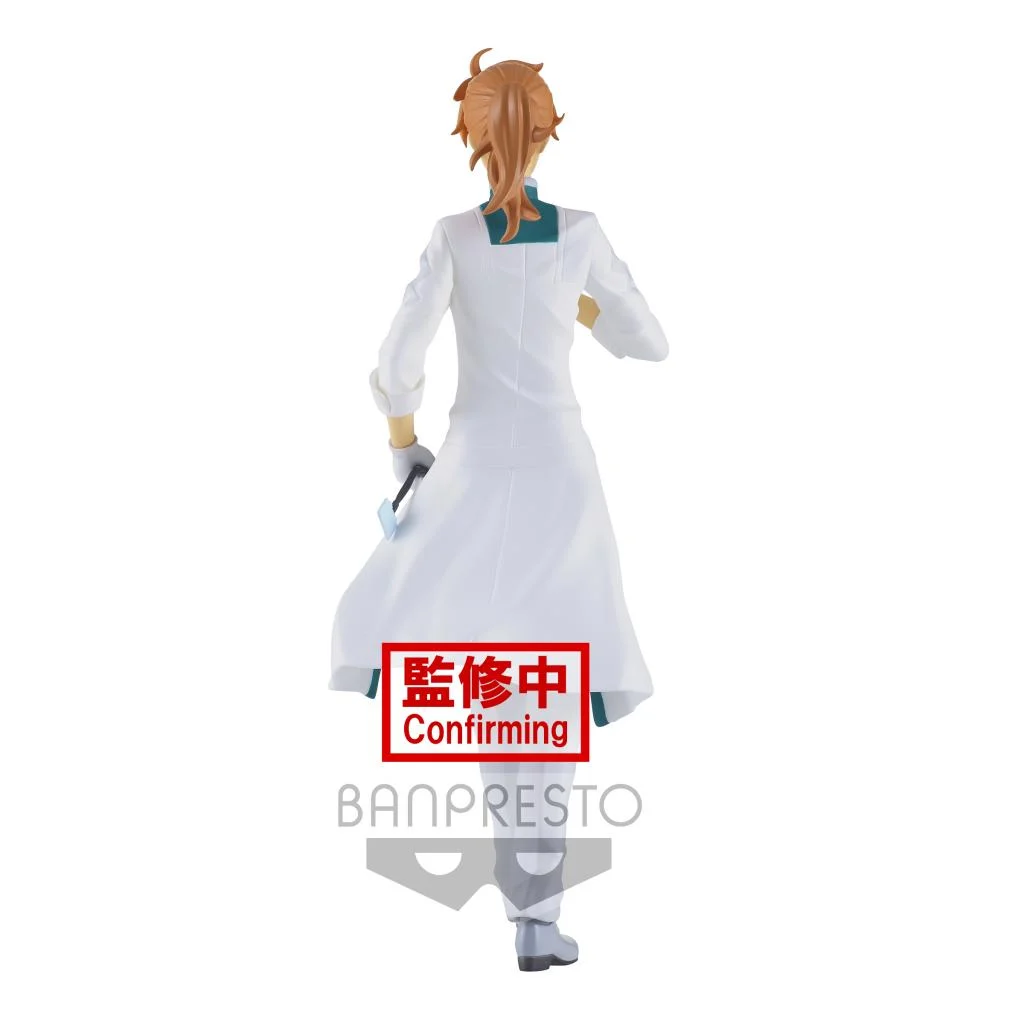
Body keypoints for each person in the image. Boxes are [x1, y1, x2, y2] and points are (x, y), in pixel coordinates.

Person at [330, 48, 667, 970]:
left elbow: (396, 363)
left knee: (497, 690)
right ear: (549, 131)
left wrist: (403, 446)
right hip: (560, 476)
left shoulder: (453, 237)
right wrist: (574, 307)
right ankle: (538, 916)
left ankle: (530, 909)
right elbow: (651, 342)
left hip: (473, 472)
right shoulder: (581, 233)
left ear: (472, 136)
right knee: (548, 693)